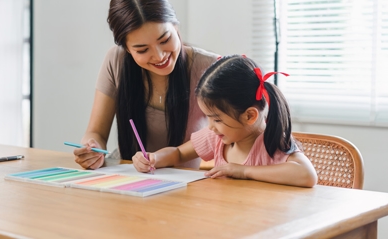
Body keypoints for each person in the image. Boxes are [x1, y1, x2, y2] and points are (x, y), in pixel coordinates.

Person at [73, 0, 220, 169]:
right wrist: (92, 149)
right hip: (127, 178)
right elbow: (96, 133)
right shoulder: (116, 60)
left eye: (165, 39)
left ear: (175, 26)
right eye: (142, 49)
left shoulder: (209, 67)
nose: (159, 56)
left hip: (186, 186)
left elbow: (231, 135)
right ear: (126, 48)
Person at [132, 55, 318, 188]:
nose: (210, 126)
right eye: (208, 118)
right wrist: (155, 158)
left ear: (249, 116)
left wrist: (244, 171)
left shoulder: (271, 142)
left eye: (217, 119)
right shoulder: (217, 136)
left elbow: (307, 175)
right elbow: (179, 153)